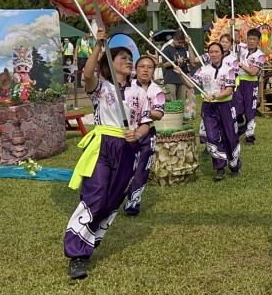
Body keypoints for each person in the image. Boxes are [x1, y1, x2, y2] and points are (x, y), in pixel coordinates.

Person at [64, 29, 152, 280]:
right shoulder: (101, 88)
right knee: (95, 195)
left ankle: (91, 239)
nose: (126, 60)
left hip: (128, 148)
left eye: (128, 57)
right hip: (103, 145)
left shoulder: (140, 92)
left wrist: (139, 134)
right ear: (110, 64)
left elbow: (146, 122)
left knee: (113, 200)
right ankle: (77, 255)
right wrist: (97, 47)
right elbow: (88, 75)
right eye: (120, 57)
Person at [177, 41, 241, 180]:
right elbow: (191, 84)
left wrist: (215, 96)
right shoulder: (203, 70)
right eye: (211, 52)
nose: (213, 54)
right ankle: (219, 167)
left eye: (216, 51)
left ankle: (234, 165)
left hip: (225, 106)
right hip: (209, 108)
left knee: (229, 137)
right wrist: (180, 74)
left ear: (222, 53)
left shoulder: (228, 69)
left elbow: (229, 90)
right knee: (212, 138)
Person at [124, 56, 165, 217]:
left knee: (142, 168)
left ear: (153, 71)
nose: (145, 70)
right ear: (136, 69)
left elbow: (159, 113)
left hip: (147, 134)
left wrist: (144, 113)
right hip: (128, 132)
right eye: (142, 66)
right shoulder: (128, 87)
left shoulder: (157, 90)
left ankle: (133, 203)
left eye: (149, 67)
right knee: (125, 167)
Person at [234, 28, 266, 143]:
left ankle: (249, 136)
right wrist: (231, 26)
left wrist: (240, 65)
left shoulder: (260, 55)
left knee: (250, 109)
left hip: (251, 83)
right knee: (236, 106)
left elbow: (253, 72)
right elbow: (233, 39)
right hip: (239, 82)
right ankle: (240, 125)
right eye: (249, 39)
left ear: (258, 41)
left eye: (254, 39)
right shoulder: (241, 48)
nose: (251, 41)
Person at [159, 33, 192, 101]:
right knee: (171, 102)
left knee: (182, 102)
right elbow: (164, 64)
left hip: (182, 80)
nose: (180, 44)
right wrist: (176, 61)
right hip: (170, 80)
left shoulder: (183, 49)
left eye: (182, 42)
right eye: (179, 42)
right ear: (174, 40)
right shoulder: (167, 49)